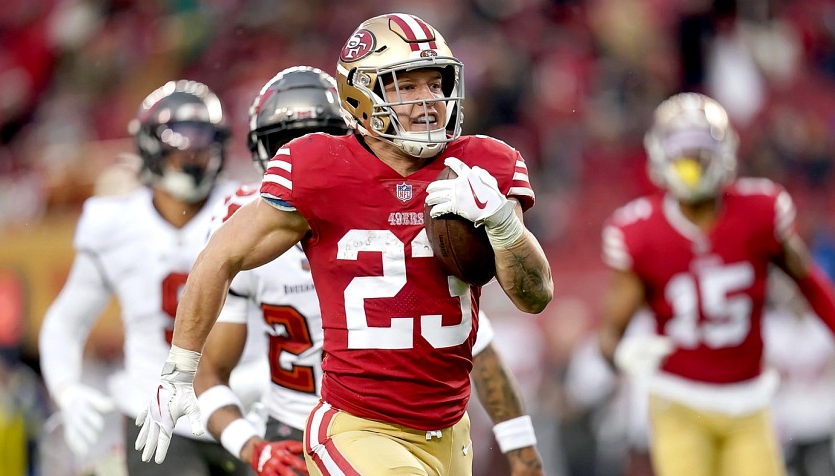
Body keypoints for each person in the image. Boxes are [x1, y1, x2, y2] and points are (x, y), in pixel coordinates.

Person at [135, 13, 553, 476]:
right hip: (357, 429)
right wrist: (179, 369)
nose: (428, 101)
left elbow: (534, 296)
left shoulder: (483, 164)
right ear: (359, 95)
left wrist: (501, 224)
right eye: (405, 87)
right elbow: (220, 256)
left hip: (451, 432)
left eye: (435, 83)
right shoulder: (320, 169)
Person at [597, 92, 835, 476]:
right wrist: (620, 356)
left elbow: (810, 284)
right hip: (679, 399)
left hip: (749, 398)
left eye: (701, 151)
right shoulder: (639, 232)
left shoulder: (760, 212)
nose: (691, 162)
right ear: (660, 154)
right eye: (683, 151)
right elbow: (609, 333)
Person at [39, 79, 258, 475]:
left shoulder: (251, 209)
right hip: (158, 417)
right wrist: (66, 390)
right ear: (151, 147)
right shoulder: (113, 222)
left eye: (203, 140)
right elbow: (66, 320)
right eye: (181, 140)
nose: (193, 153)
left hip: (247, 405)